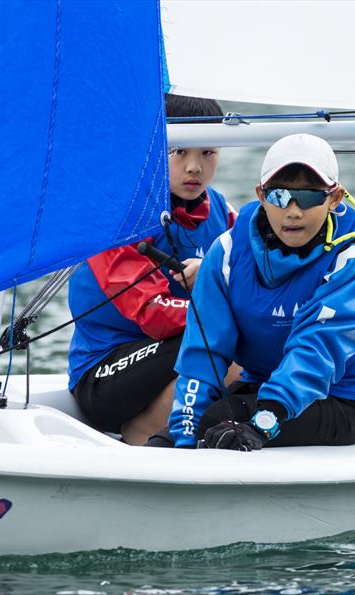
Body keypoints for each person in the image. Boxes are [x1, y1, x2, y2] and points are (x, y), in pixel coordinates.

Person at [164, 133, 355, 450]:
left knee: (217, 419)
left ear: (334, 199)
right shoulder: (226, 252)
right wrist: (181, 434)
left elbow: (316, 352)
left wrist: (266, 422)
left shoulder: (353, 261)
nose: (293, 211)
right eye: (279, 197)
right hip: (261, 387)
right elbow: (205, 350)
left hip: (337, 402)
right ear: (261, 196)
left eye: (308, 197)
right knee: (176, 433)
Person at [67, 94, 236, 445]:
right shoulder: (118, 219)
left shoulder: (223, 211)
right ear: (155, 148)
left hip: (169, 359)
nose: (194, 167)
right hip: (104, 376)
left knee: (257, 338)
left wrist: (212, 273)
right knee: (221, 336)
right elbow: (154, 313)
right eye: (179, 152)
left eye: (208, 153)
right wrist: (221, 307)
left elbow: (259, 284)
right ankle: (140, 434)